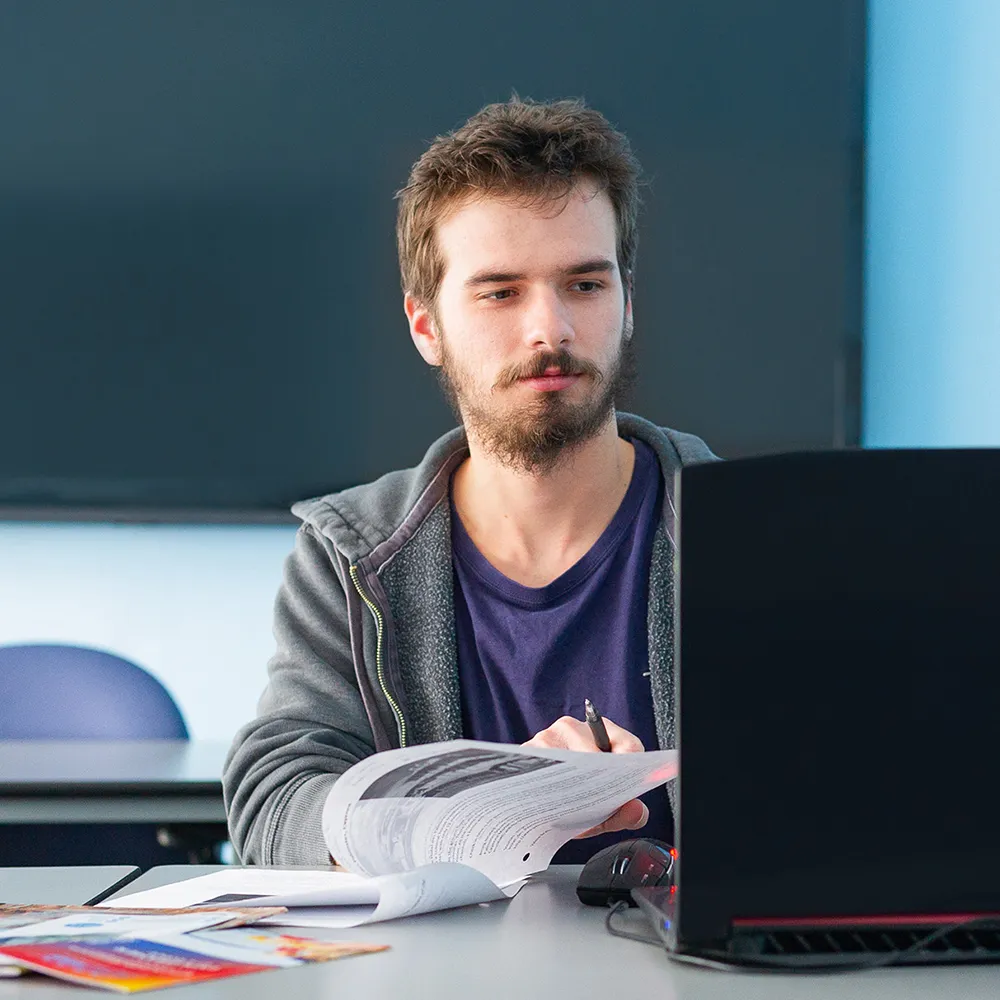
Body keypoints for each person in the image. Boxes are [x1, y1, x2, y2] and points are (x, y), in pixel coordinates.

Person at [223, 97, 716, 866]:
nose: (548, 329)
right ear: (426, 326)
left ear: (626, 306)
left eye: (585, 285)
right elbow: (273, 804)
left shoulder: (764, 530)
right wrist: (480, 804)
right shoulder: (351, 558)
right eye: (499, 292)